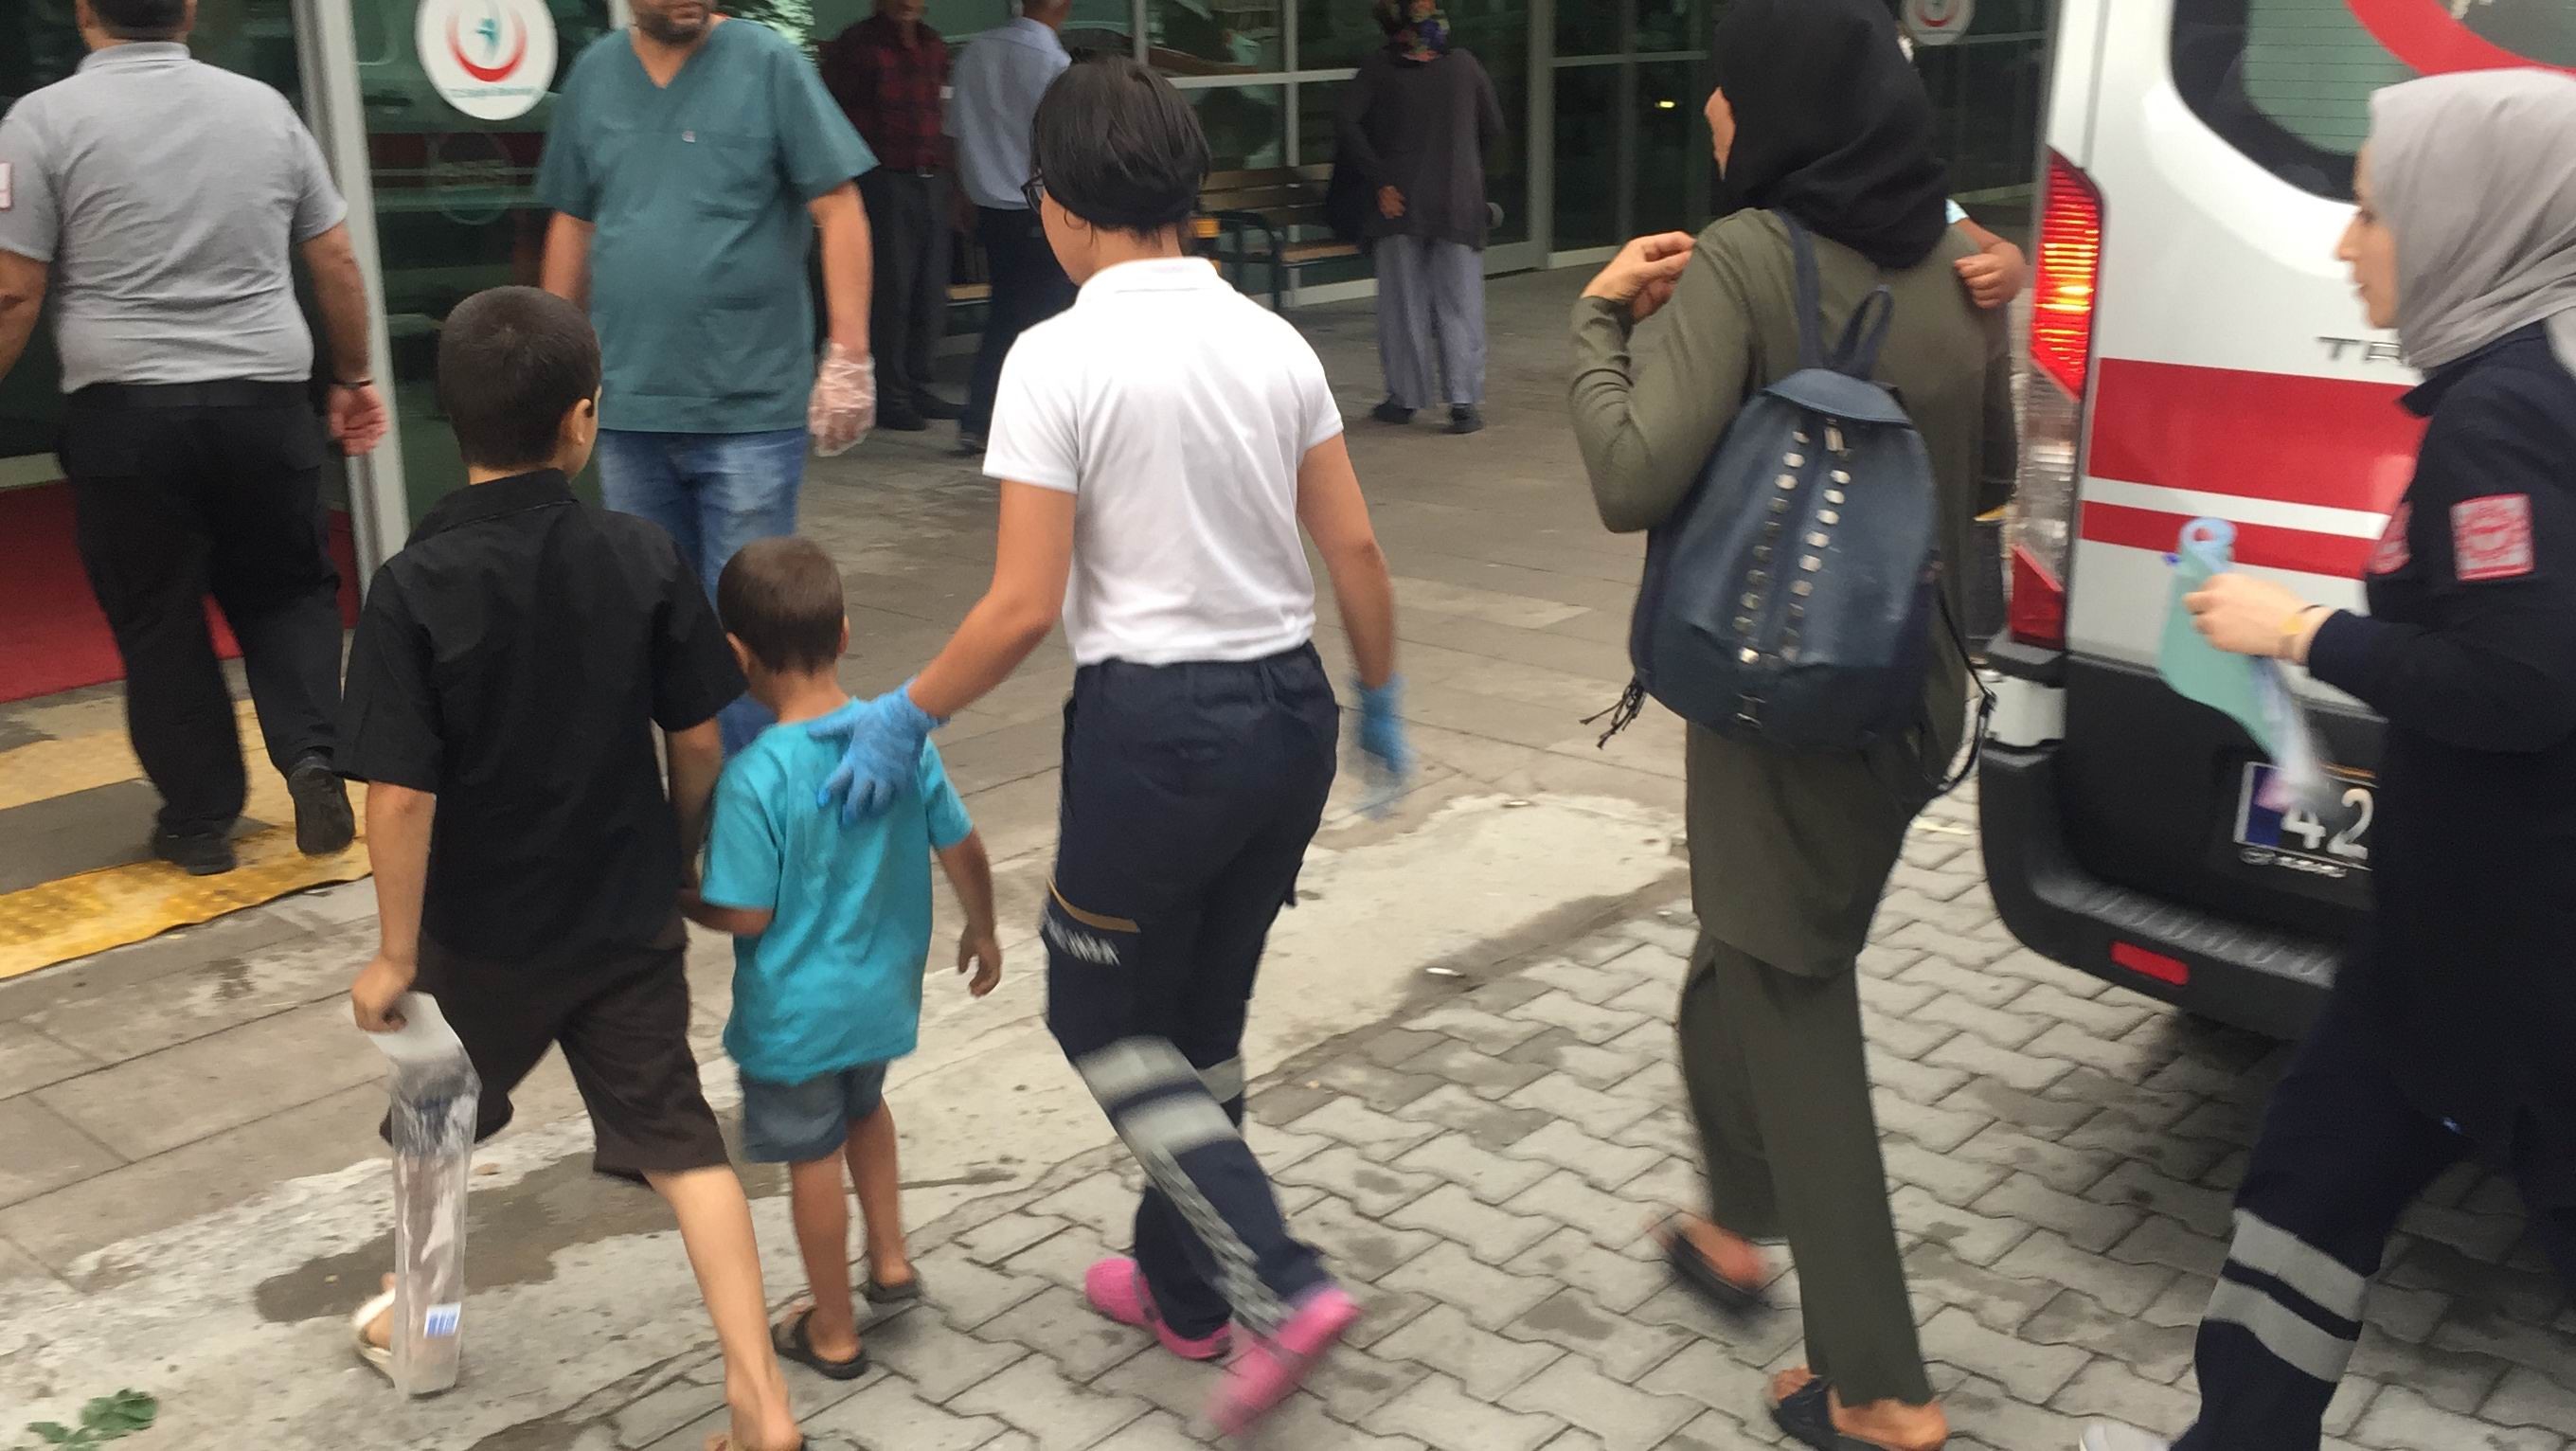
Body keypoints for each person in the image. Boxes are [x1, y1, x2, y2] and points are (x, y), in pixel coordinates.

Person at [803, 57, 1414, 1432]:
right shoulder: (1273, 342)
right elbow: (1357, 549)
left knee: (1097, 1014)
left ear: (1064, 205)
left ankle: (1279, 1278)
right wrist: (1377, 696)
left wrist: (908, 711)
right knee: (1199, 1025)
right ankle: (1184, 1294)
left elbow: (1023, 603)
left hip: (1158, 736)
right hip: (1289, 716)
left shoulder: (1055, 356)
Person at [2082, 70, 2576, 1451]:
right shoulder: (2525, 378)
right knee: (2305, 1185)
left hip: (2524, 960)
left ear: (2468, 220)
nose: (2346, 244)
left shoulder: (2505, 415)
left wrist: (2298, 630)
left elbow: (2524, 682)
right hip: (2439, 946)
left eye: (2371, 213)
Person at [1566, 0, 2012, 1446]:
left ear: (1780, 105)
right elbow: (1987, 479)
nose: (1709, 110)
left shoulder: (1749, 257)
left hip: (1787, 696)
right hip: (1911, 691)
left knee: (1795, 996)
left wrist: (1597, 324)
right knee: (1748, 941)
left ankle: (1881, 1384)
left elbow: (1632, 476)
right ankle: (1733, 1221)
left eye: (1724, 87)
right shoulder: (1961, 263)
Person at [337, 287, 800, 1451]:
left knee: (435, 1128)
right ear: (583, 418)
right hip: (621, 917)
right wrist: (675, 853)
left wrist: (394, 952)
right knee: (684, 1148)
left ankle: (427, 1329)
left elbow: (399, 794)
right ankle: (760, 1399)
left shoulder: (410, 586)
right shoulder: (640, 552)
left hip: (474, 938)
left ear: (448, 418)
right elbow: (699, 737)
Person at [0, 0, 387, 876]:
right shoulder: (265, 110)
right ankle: (312, 756)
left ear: (83, 11)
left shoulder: (42, 121)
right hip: (264, 407)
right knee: (289, 591)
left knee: (159, 615)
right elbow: (334, 259)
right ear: (189, 11)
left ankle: (200, 822)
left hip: (127, 417)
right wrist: (353, 376)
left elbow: (14, 293)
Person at [683, 534, 1002, 1382]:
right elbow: (963, 846)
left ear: (736, 655)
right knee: (867, 1110)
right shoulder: (900, 740)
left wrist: (683, 898)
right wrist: (983, 929)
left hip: (795, 1018)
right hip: (881, 994)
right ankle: (890, 1260)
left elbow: (747, 912)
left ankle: (831, 1329)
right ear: (847, 632)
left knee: (812, 1156)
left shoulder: (754, 778)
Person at [538, 0, 878, 757]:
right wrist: (554, 365)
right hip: (631, 409)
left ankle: (753, 809)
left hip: (749, 408)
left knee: (755, 633)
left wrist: (849, 353)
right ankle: (693, 802)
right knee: (658, 627)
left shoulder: (767, 64)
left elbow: (840, 208)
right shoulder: (595, 77)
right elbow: (574, 225)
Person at [1337, 1, 1505, 436]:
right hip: (1458, 201)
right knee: (1461, 303)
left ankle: (1405, 398)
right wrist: (1468, 172)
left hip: (1398, 202)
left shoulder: (1379, 68)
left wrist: (1379, 180)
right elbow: (1494, 129)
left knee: (1403, 305)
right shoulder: (1465, 66)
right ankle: (1463, 403)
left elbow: (1347, 122)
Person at [820, 0, 960, 432]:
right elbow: (831, 115)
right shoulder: (856, 45)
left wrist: (953, 180)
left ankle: (918, 383)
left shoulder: (933, 44)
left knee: (929, 288)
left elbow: (939, 113)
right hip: (883, 180)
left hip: (929, 175)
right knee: (891, 291)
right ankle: (890, 395)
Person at [947, 0, 1076, 455]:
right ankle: (1022, 424)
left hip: (987, 203)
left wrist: (960, 193)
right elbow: (1060, 142)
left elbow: (954, 133)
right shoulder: (1055, 63)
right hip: (1038, 205)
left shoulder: (975, 52)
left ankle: (981, 418)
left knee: (1006, 311)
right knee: (1046, 317)